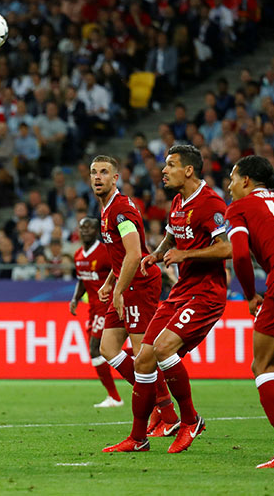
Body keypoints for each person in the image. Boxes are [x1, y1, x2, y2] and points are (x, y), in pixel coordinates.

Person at [105, 145, 230, 453]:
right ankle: (138, 438)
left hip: (206, 291)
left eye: (170, 165)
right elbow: (173, 234)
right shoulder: (177, 201)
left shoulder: (210, 202)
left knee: (162, 349)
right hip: (182, 290)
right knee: (144, 358)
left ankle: (189, 420)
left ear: (188, 170)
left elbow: (227, 248)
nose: (163, 170)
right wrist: (158, 254)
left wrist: (184, 254)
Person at [89, 155, 180, 439]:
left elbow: (134, 254)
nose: (98, 177)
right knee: (107, 348)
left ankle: (168, 414)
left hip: (138, 285)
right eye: (94, 172)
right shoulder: (106, 210)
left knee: (144, 357)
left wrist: (117, 289)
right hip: (124, 284)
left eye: (104, 172)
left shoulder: (120, 211)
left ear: (115, 178)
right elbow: (121, 257)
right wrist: (109, 282)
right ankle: (157, 404)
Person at [225, 155, 274, 468]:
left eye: (233, 178)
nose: (230, 185)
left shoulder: (240, 207)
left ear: (246, 180)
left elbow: (241, 256)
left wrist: (249, 296)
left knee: (263, 365)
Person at [69, 217, 123, 408]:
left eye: (89, 227)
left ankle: (115, 397)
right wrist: (76, 298)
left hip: (107, 306)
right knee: (104, 351)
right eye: (82, 227)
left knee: (95, 349)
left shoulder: (104, 252)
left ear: (96, 230)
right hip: (93, 309)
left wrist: (119, 294)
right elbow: (82, 280)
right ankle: (135, 359)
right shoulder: (78, 255)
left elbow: (121, 270)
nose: (85, 230)